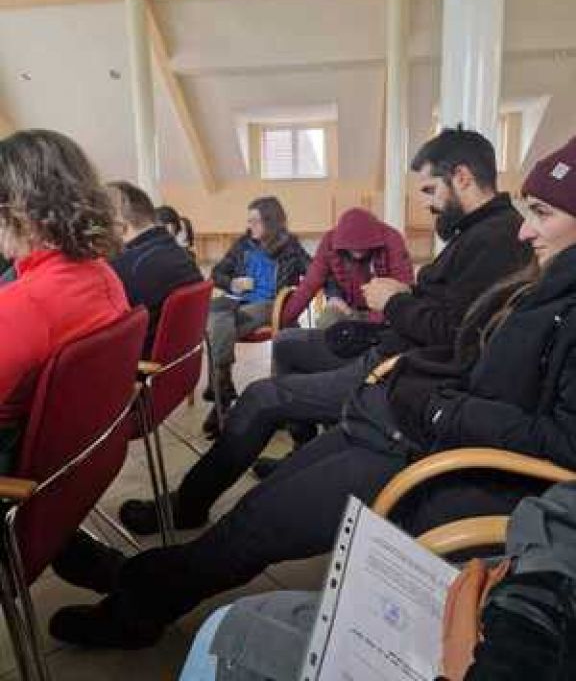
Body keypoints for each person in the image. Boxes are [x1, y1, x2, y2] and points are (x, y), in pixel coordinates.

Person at [48, 134, 576, 649]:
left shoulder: (519, 265)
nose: (525, 229)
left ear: (461, 177)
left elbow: (551, 433)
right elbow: (468, 351)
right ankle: (142, 583)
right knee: (256, 503)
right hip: (398, 415)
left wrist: (433, 396)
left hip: (426, 449)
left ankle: (138, 602)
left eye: (542, 214)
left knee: (256, 521)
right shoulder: (538, 279)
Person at [118, 127, 532, 532]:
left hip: (394, 368)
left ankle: (190, 504)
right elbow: (319, 286)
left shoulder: (492, 240)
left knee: (261, 397)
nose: (426, 203)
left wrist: (394, 301)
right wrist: (287, 318)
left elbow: (457, 334)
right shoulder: (476, 233)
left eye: (429, 190)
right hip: (385, 345)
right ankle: (296, 442)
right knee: (288, 344)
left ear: (462, 177)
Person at [179, 480, 576, 681]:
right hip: (526, 594)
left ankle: (153, 586)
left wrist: (510, 650)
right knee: (252, 613)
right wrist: (527, 604)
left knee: (230, 632)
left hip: (511, 637)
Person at [0, 129, 129, 474]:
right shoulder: (102, 275)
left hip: (14, 463)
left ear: (20, 211)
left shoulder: (25, 305)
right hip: (74, 463)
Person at [201, 196, 310, 435]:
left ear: (270, 221)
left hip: (272, 306)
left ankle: (220, 400)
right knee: (214, 316)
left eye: (255, 221)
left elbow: (313, 274)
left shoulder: (290, 247)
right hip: (239, 304)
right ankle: (223, 389)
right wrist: (233, 283)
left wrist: (294, 300)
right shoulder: (243, 245)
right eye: (249, 221)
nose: (250, 226)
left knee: (217, 325)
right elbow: (217, 273)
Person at [108, 182, 203, 357]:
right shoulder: (181, 254)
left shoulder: (128, 267)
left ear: (119, 223)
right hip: (176, 362)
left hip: (140, 364)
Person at [280, 207, 413, 330]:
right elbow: (309, 285)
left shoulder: (392, 239)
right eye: (353, 248)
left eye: (362, 248)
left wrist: (372, 321)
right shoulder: (329, 242)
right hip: (346, 308)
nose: (358, 251)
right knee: (327, 321)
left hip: (385, 310)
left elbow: (404, 288)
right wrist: (281, 322)